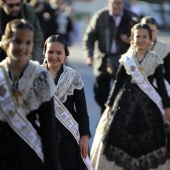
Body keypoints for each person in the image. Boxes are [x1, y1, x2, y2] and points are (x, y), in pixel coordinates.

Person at [90, 23, 170, 170]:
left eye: (144, 36)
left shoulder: (156, 59)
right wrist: (109, 104)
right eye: (137, 36)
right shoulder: (126, 58)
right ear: (132, 38)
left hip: (149, 107)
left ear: (150, 39)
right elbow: (118, 83)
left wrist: (167, 106)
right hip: (124, 105)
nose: (141, 39)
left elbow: (162, 86)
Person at [0, 19, 58, 170]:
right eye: (17, 41)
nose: (22, 47)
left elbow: (49, 129)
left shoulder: (41, 77)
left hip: (29, 154)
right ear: (6, 43)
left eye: (28, 42)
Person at [42, 35, 92, 170]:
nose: (54, 56)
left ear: (65, 55)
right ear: (44, 53)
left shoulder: (74, 76)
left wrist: (85, 137)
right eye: (50, 52)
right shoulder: (36, 75)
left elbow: (82, 109)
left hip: (68, 136)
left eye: (59, 53)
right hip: (43, 135)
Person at [83, 0, 139, 114]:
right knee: (100, 94)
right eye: (113, 2)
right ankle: (105, 115)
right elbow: (89, 37)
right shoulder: (100, 16)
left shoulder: (132, 17)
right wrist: (89, 55)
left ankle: (116, 117)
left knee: (122, 93)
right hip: (102, 61)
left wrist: (131, 41)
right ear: (108, 3)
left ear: (123, 4)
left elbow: (143, 39)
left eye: (119, 3)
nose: (116, 5)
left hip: (123, 62)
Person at [140, 16, 170, 84]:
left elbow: (168, 74)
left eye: (152, 30)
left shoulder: (164, 49)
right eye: (146, 29)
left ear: (157, 31)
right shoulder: (133, 47)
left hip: (157, 87)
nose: (149, 33)